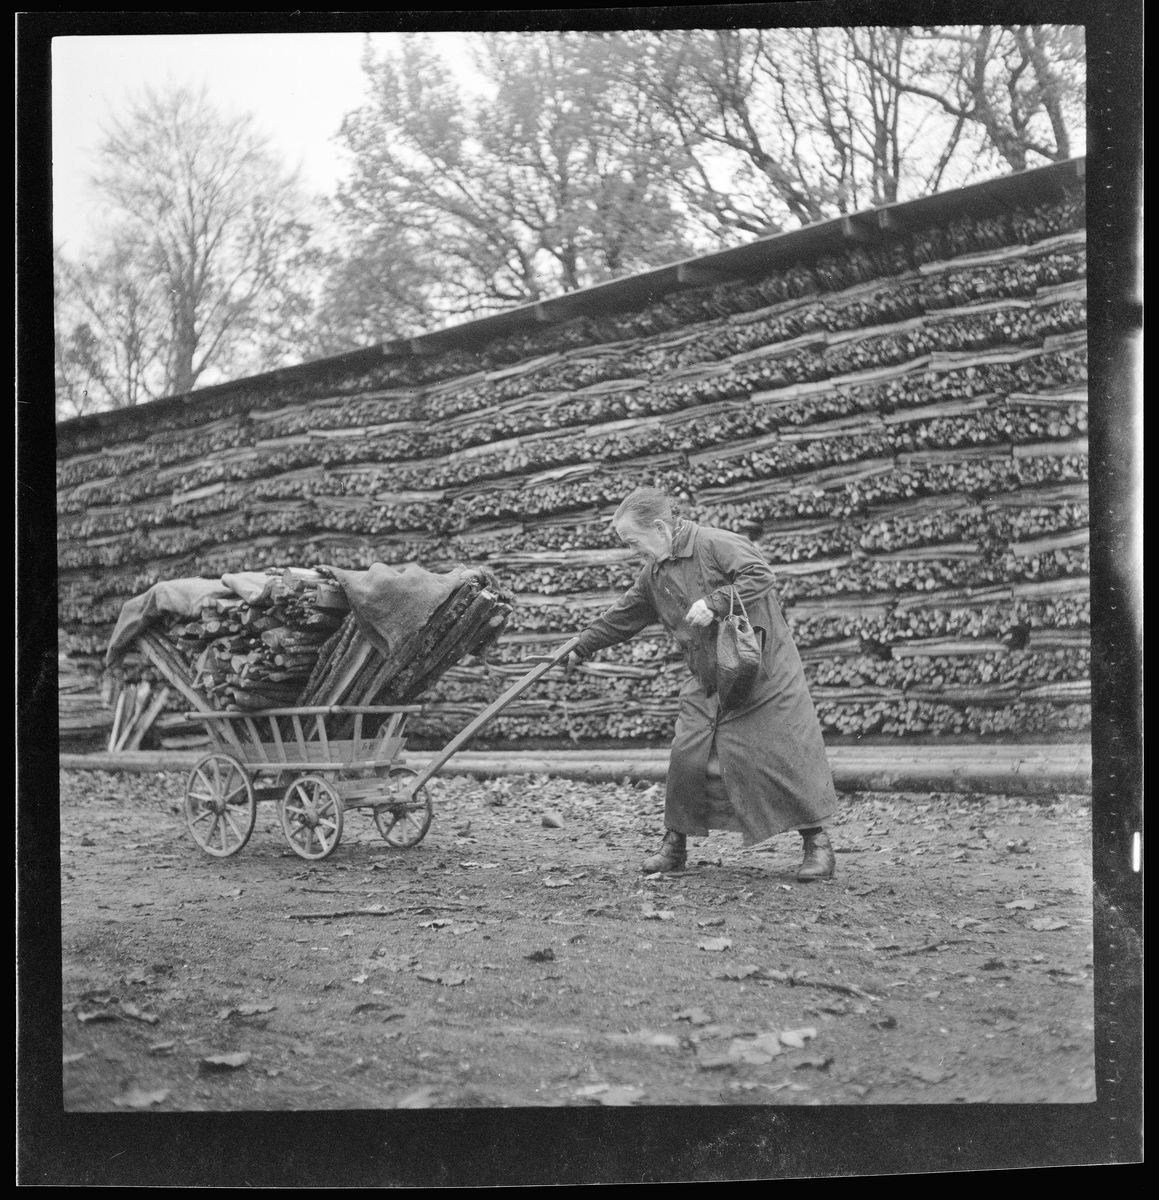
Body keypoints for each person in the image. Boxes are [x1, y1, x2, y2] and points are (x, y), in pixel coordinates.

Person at [568, 487, 837, 881]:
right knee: (688, 753)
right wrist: (580, 645)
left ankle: (818, 845)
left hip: (762, 672)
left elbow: (761, 575)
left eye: (632, 540)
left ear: (659, 528)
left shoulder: (715, 543)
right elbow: (624, 614)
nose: (631, 550)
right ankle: (674, 846)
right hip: (710, 678)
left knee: (782, 757)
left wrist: (715, 602)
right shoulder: (654, 573)